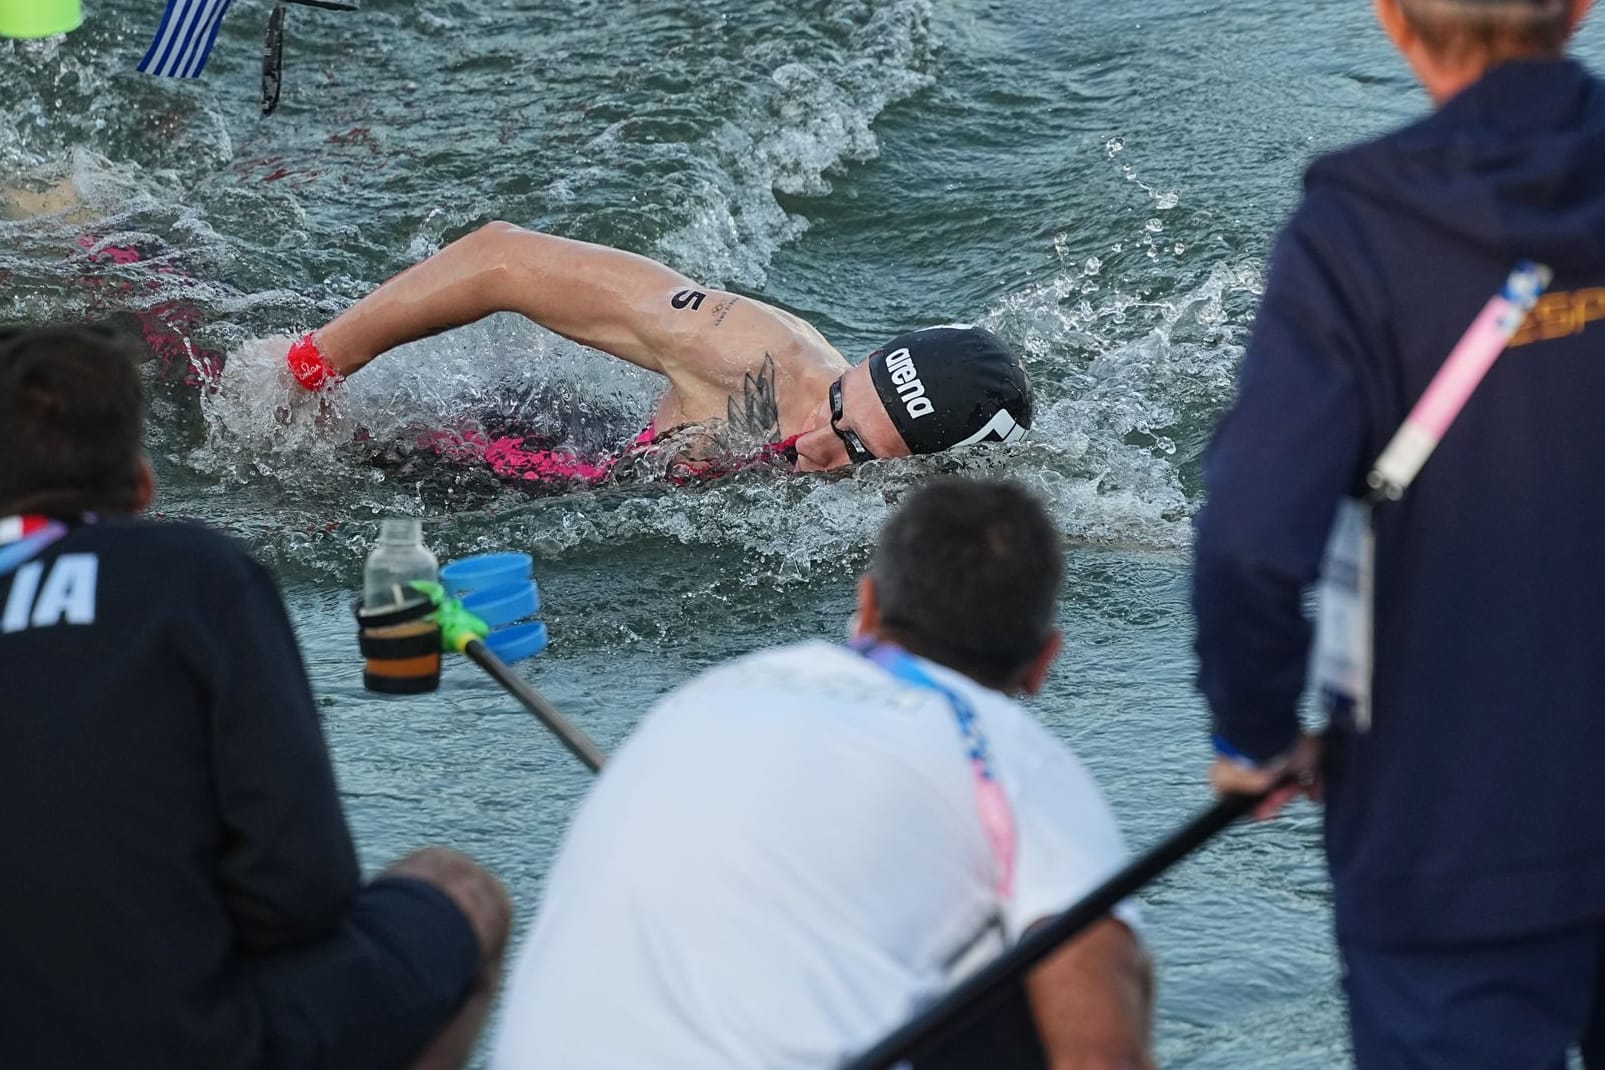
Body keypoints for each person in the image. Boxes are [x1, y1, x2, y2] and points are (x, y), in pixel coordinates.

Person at [1193, 1, 1605, 1066]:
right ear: (1580, 8)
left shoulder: (1360, 229)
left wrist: (1255, 731)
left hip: (1452, 825)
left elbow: (1249, 542)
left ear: (1389, 16)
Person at [490, 477, 1154, 1069]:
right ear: (1042, 663)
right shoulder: (1012, 755)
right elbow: (1099, 1052)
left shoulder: (713, 693)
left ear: (865, 607)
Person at [0, 322, 511, 1069]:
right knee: (459, 891)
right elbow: (301, 892)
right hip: (184, 1041)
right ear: (143, 485)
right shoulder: (195, 575)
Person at [281, 222, 1034, 477]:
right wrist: (311, 369)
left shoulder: (919, 504)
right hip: (510, 450)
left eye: (857, 451)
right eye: (837, 404)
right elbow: (498, 257)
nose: (808, 440)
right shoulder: (745, 350)